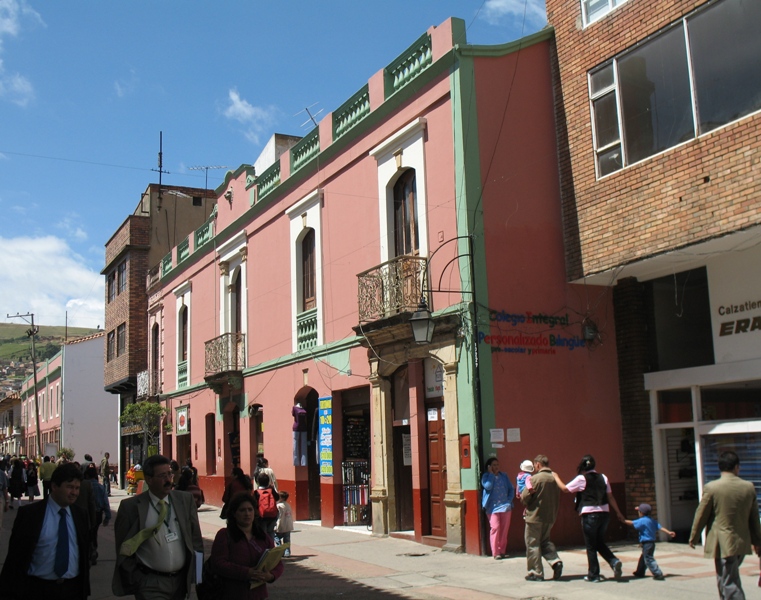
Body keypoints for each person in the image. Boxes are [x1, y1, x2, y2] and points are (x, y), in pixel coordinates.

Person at [112, 454, 204, 599]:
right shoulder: (131, 508)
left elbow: (196, 540)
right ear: (149, 479)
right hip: (150, 583)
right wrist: (137, 579)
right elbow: (123, 548)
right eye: (162, 476)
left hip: (180, 582)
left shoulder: (184, 501)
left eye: (169, 474)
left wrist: (197, 576)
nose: (168, 480)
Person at [0, 463, 91, 600]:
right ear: (54, 486)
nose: (74, 493)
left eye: (77, 488)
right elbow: (16, 558)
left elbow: (84, 552)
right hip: (38, 589)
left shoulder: (81, 515)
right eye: (70, 487)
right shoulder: (30, 515)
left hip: (72, 589)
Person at [689, 451, 761, 599]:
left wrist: (694, 537)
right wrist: (758, 541)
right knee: (724, 577)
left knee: (729, 581)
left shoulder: (712, 487)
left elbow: (701, 514)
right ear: (736, 467)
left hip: (723, 543)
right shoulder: (748, 487)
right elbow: (754, 517)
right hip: (741, 541)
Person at [554, 454, 625, 582]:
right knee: (598, 542)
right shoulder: (603, 477)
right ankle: (614, 561)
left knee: (591, 546)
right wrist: (618, 512)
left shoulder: (582, 478)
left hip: (590, 514)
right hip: (604, 513)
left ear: (582, 466)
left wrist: (556, 477)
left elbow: (565, 489)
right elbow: (610, 497)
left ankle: (594, 575)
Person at [209, 491, 284, 599]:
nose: (247, 514)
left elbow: (277, 562)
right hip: (231, 593)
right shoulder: (224, 535)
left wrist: (271, 576)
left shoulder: (262, 537)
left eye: (250, 509)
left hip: (258, 594)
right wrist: (246, 573)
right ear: (234, 514)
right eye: (242, 510)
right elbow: (218, 563)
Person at [521, 455, 563, 581]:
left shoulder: (535, 479)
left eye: (535, 465)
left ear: (538, 464)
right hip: (550, 516)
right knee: (545, 542)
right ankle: (555, 561)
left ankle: (536, 572)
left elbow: (524, 497)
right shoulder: (554, 478)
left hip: (535, 516)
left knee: (532, 544)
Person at [622, 502, 675, 580]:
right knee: (644, 557)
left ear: (641, 513)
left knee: (648, 558)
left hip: (647, 543)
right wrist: (669, 532)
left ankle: (658, 573)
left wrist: (622, 520)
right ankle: (640, 572)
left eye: (638, 511)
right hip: (651, 543)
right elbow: (660, 527)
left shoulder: (642, 520)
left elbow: (631, 523)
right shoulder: (651, 520)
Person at [480, 457, 514, 560]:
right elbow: (488, 486)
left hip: (505, 506)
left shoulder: (504, 476)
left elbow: (511, 489)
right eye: (493, 465)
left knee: (504, 530)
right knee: (495, 528)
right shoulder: (486, 477)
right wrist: (491, 474)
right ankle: (496, 552)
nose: (496, 467)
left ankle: (502, 550)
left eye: (497, 465)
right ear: (489, 467)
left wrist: (508, 501)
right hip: (492, 507)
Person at [84, 463, 111, 566]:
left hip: (86, 513)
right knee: (94, 532)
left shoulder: (84, 486)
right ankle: (93, 549)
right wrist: (107, 516)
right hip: (98, 513)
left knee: (87, 533)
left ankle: (89, 550)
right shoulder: (100, 487)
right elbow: (105, 502)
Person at [254, 473, 280, 540]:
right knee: (271, 532)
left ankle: (265, 547)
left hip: (261, 517)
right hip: (272, 516)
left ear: (258, 482)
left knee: (263, 533)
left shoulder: (256, 492)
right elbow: (277, 498)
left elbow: (254, 504)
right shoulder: (271, 490)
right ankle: (271, 546)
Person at [275, 490, 294, 557]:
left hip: (280, 524)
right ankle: (287, 552)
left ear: (282, 498)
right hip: (288, 525)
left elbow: (277, 516)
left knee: (276, 538)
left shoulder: (278, 506)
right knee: (287, 540)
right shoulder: (288, 505)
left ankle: (280, 551)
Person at [292, 401, 308, 466]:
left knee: (297, 445)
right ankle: (300, 462)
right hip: (302, 427)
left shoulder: (295, 408)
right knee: (299, 445)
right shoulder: (300, 409)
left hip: (298, 427)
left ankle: (299, 462)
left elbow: (293, 414)